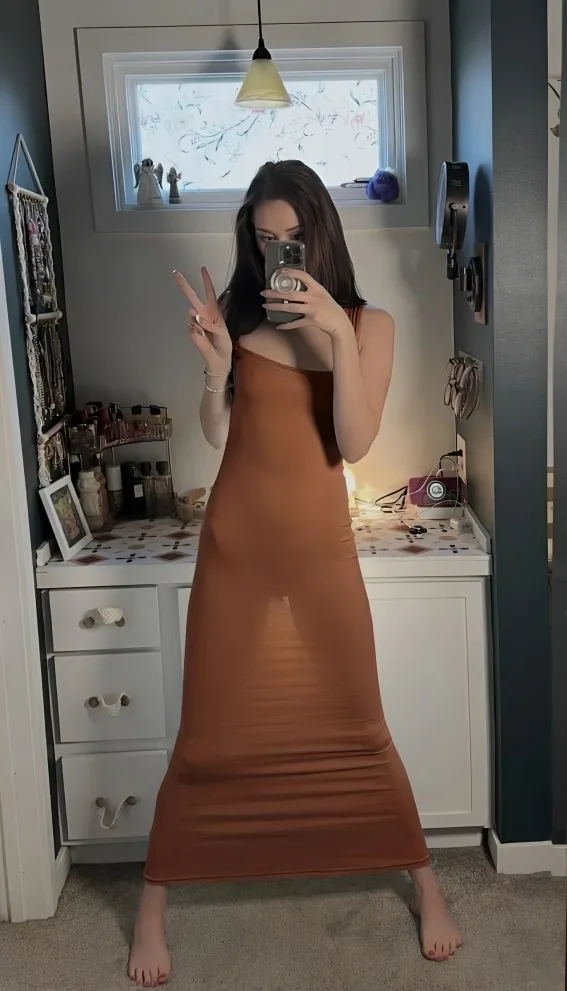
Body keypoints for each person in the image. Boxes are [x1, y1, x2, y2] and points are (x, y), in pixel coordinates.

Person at [128, 160, 462, 987]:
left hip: (320, 553)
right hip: (234, 550)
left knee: (359, 722)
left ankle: (424, 882)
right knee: (205, 730)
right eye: (263, 237)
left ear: (322, 235)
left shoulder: (369, 325)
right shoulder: (238, 314)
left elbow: (352, 442)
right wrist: (215, 368)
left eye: (294, 236)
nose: (279, 251)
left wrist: (337, 336)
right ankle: (153, 902)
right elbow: (217, 434)